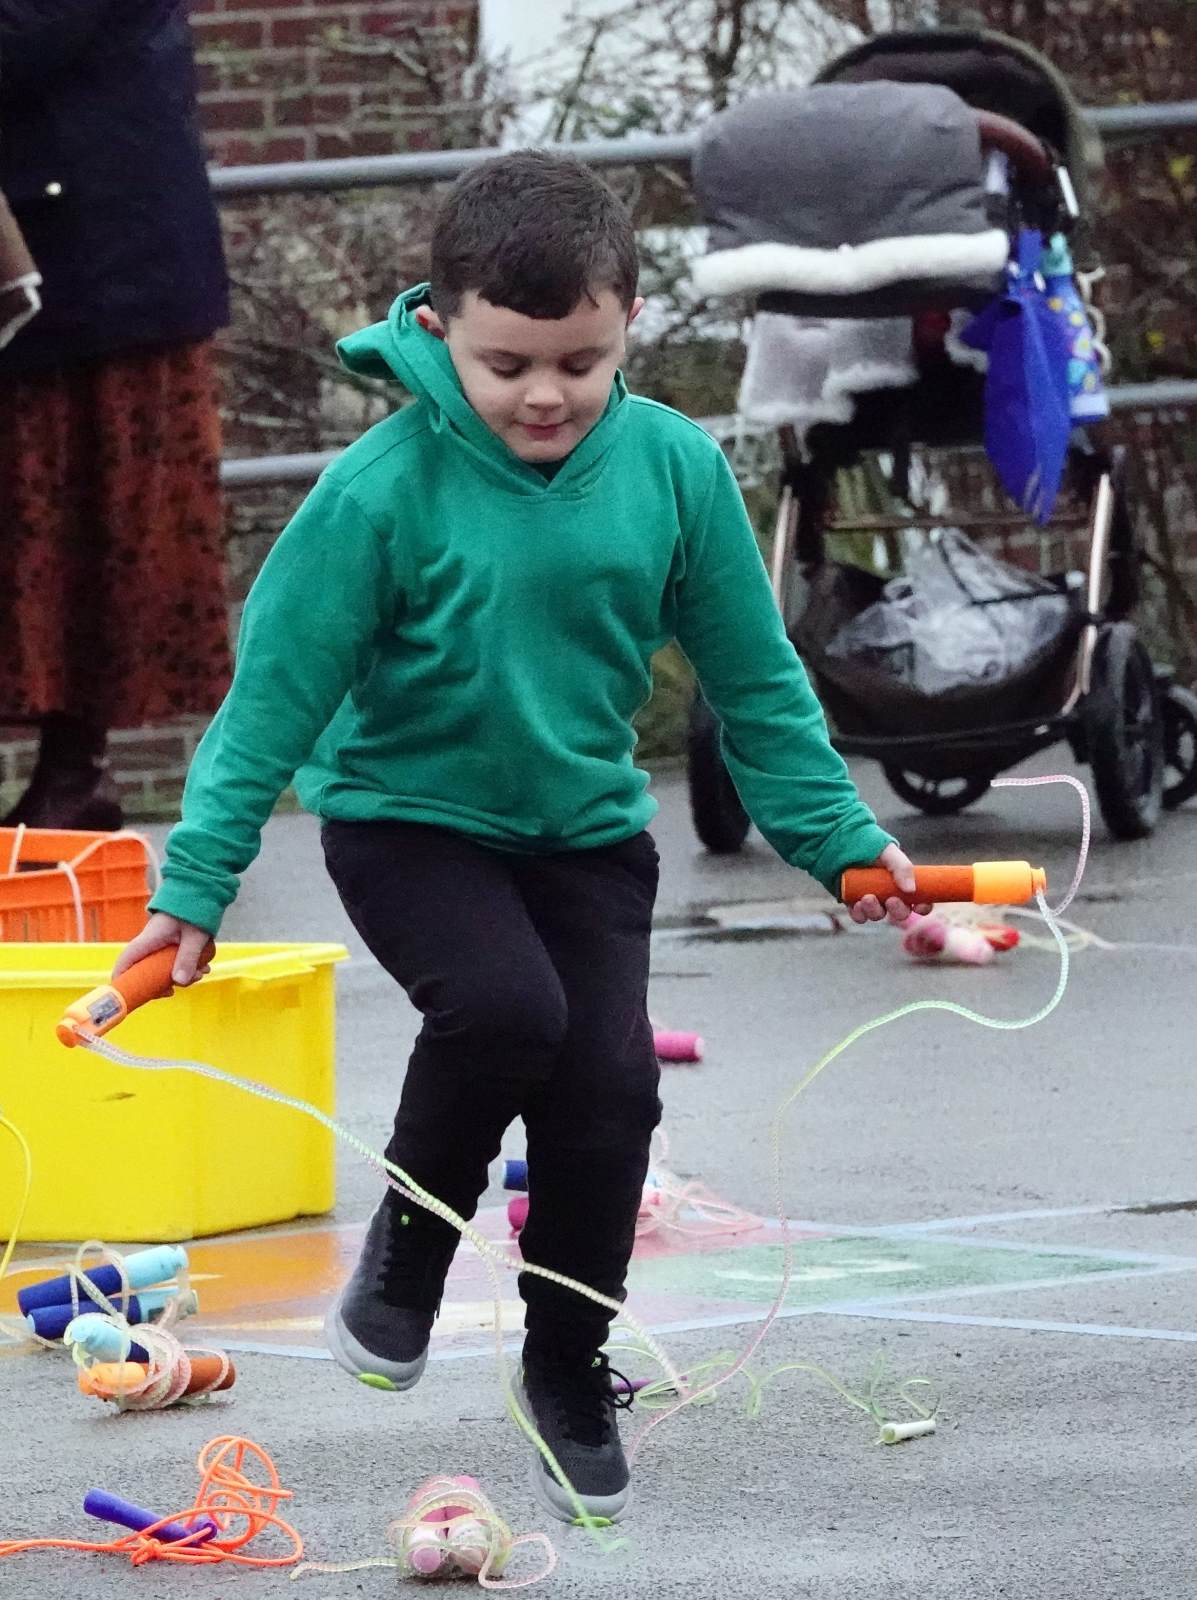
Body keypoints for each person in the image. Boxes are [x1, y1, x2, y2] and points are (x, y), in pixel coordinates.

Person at [114, 151, 927, 1524]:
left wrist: (836, 837)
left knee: (608, 1090)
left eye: (580, 363)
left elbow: (754, 680)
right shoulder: (378, 492)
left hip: (585, 834)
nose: (544, 394)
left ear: (628, 329)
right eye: (506, 365)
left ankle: (565, 1366)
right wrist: (194, 884)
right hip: (407, 823)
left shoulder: (672, 469)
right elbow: (269, 702)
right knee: (503, 1009)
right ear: (440, 329)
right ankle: (407, 1254)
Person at [0, 0, 231, 830]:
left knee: (83, 513)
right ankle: (71, 777)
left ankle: (74, 772)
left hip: (98, 257)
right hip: (76, 247)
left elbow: (26, 35)